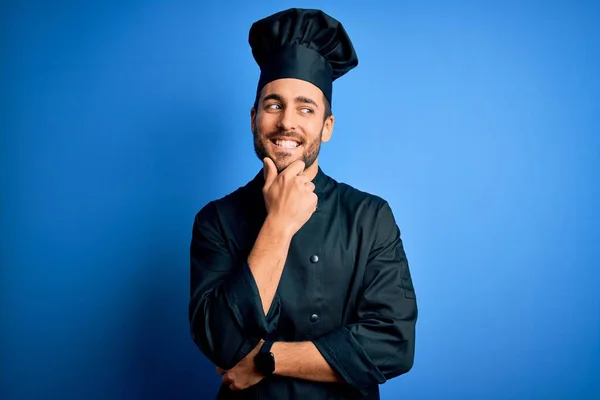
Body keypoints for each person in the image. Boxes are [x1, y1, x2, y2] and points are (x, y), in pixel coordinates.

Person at [189, 8, 418, 399]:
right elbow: (221, 343)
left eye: (306, 108)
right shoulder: (216, 220)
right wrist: (279, 222)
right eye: (273, 105)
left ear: (326, 127)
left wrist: (269, 358)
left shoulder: (369, 216)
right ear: (253, 117)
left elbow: (393, 344)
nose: (286, 122)